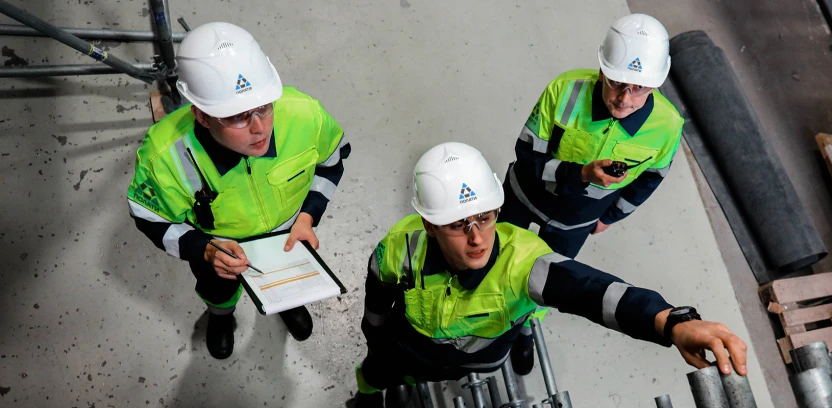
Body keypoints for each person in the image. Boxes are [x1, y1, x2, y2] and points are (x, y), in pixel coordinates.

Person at [352, 142, 746, 407]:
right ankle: (368, 396)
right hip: (407, 348)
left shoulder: (522, 262)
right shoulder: (401, 247)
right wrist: (376, 336)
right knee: (375, 374)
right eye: (458, 224)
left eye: (485, 217)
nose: (477, 238)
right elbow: (377, 293)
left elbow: (590, 290)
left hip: (481, 358)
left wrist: (669, 321)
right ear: (429, 225)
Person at [126, 22, 350, 359]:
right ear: (202, 116)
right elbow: (150, 218)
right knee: (218, 290)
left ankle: (286, 301)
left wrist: (307, 217)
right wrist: (205, 250)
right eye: (237, 117)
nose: (259, 128)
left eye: (264, 107)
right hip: (219, 251)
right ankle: (221, 315)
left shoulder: (306, 116)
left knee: (286, 278)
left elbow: (331, 163)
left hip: (287, 238)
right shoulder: (165, 157)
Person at [499, 13, 683, 374]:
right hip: (522, 198)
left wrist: (610, 216)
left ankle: (522, 326)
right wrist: (580, 173)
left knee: (550, 276)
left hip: (575, 222)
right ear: (601, 70)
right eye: (617, 83)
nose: (625, 99)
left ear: (656, 85)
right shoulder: (564, 90)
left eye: (640, 88)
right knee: (493, 252)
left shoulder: (668, 126)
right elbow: (527, 156)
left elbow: (652, 178)